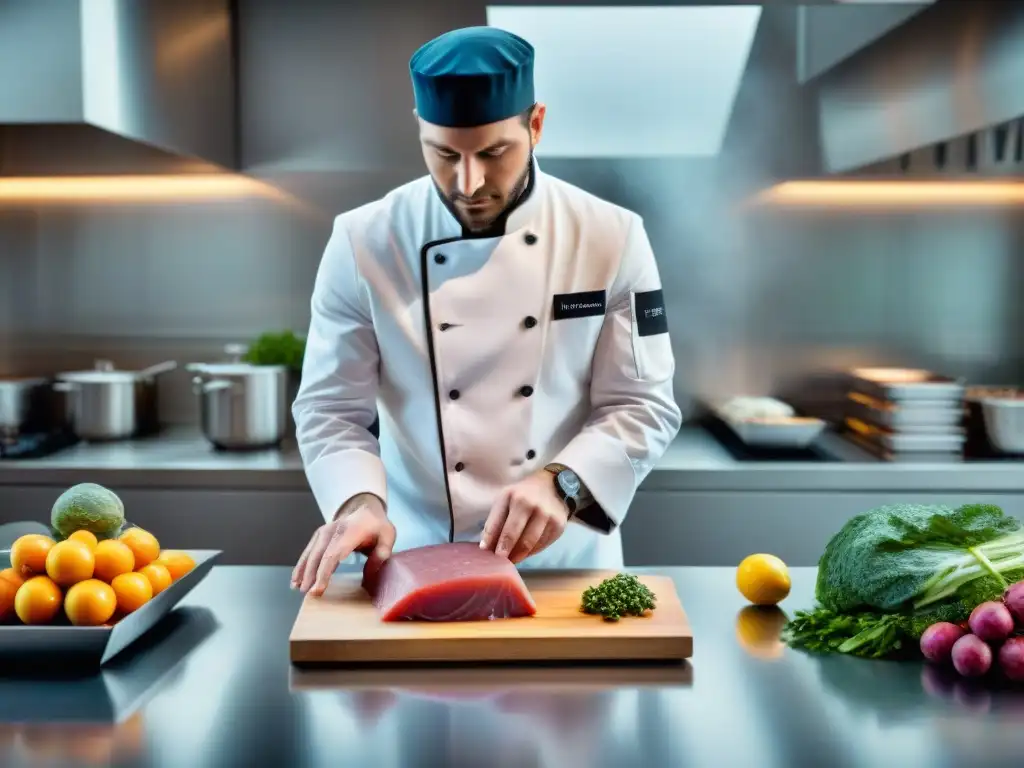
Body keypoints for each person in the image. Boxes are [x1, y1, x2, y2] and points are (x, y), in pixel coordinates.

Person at [291, 26, 682, 596]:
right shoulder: (363, 241)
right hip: (416, 554)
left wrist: (564, 483)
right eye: (444, 154)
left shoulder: (612, 236)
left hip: (565, 563)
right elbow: (330, 408)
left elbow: (643, 402)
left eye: (494, 153)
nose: (468, 183)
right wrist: (357, 501)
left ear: (536, 125)